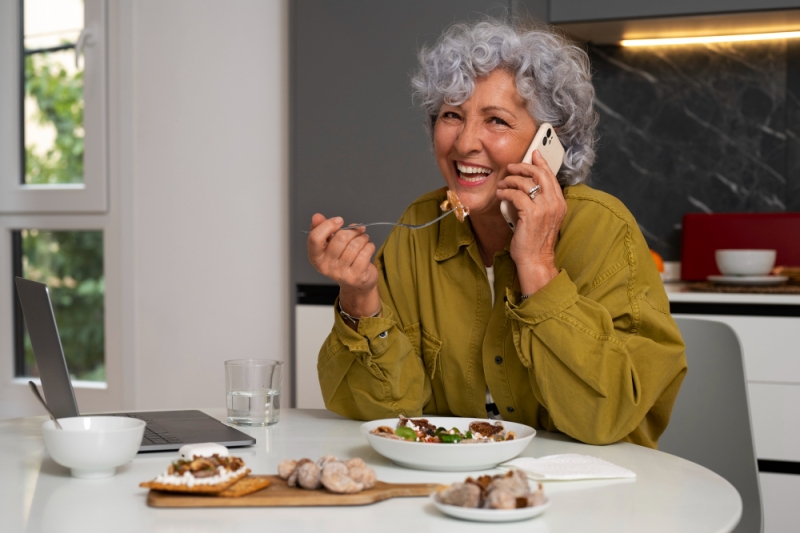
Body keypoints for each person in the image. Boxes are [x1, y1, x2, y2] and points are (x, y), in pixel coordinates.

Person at [306, 19, 687, 449]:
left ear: (548, 143)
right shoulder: (419, 226)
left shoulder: (603, 229)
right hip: (454, 482)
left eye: (497, 121)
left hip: (588, 484)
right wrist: (360, 299)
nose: (465, 142)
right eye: (452, 115)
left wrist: (538, 267)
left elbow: (608, 417)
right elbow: (388, 413)